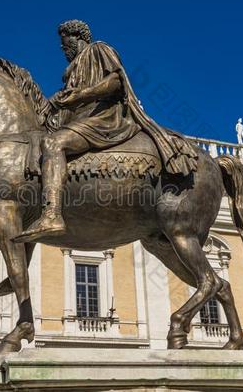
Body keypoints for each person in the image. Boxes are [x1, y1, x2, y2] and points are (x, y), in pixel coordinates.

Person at [14, 20, 198, 243]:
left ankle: (51, 214)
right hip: (81, 120)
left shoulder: (98, 49)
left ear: (77, 37)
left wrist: (82, 95)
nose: (63, 49)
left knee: (54, 144)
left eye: (65, 43)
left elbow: (115, 81)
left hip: (104, 118)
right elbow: (62, 99)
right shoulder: (72, 71)